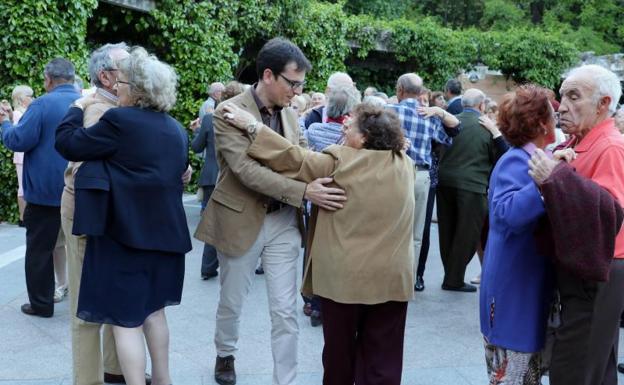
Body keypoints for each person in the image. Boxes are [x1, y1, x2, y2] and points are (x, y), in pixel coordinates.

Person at [223, 101, 415, 385]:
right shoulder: (405, 163)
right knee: (384, 358)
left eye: (352, 125)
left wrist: (251, 125)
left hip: (343, 281)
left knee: (339, 356)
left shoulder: (338, 161)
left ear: (364, 138)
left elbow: (291, 157)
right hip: (393, 279)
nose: (345, 125)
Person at [194, 37, 346, 385]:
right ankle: (225, 353)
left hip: (283, 221)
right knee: (231, 301)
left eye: (301, 85)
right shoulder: (228, 110)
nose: (297, 91)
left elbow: (305, 160)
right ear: (267, 75)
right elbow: (246, 171)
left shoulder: (293, 116)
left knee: (285, 310)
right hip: (240, 218)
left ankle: (285, 379)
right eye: (293, 83)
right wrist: (303, 189)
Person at [55, 46, 192, 385]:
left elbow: (70, 144)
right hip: (166, 239)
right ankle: (162, 380)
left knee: (125, 322)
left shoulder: (118, 121)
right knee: (154, 313)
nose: (118, 87)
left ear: (138, 88)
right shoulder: (175, 129)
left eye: (123, 82)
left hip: (124, 238)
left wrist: (77, 106)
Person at [528, 64, 624, 385]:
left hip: (599, 271)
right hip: (589, 271)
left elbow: (607, 214)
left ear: (603, 104)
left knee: (576, 367)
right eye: (562, 96)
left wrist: (555, 178)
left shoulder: (610, 147)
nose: (562, 106)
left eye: (574, 97)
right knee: (596, 365)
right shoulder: (576, 143)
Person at [57, 43, 137, 385]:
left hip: (111, 219)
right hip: (87, 218)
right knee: (85, 306)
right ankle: (88, 379)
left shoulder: (118, 106)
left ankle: (115, 369)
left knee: (114, 297)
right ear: (106, 76)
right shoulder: (96, 111)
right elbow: (78, 165)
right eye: (127, 68)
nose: (136, 73)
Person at [480, 84, 557, 383]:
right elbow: (510, 212)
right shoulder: (517, 160)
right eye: (553, 111)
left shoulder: (531, 156)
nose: (559, 114)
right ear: (541, 123)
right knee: (513, 376)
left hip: (517, 287)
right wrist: (542, 182)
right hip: (513, 292)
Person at [1, 58, 80, 318]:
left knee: (40, 251)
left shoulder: (42, 105)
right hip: (80, 189)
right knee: (81, 248)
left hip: (46, 194)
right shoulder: (86, 102)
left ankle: (41, 303)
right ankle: (84, 302)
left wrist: (5, 124)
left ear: (48, 79)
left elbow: (18, 140)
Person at [387, 73, 460, 292]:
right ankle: (408, 280)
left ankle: (386, 277)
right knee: (417, 232)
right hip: (421, 175)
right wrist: (439, 112)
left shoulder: (386, 112)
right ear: (420, 93)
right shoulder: (428, 115)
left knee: (389, 226)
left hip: (393, 172)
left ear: (400, 89)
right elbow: (452, 135)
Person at [436, 88, 507, 292]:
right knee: (467, 233)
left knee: (447, 230)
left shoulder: (450, 121)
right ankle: (454, 278)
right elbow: (500, 158)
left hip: (445, 181)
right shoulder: (486, 127)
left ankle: (451, 274)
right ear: (481, 105)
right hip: (473, 185)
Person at [192, 81, 244, 281]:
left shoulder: (209, 119)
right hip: (235, 177)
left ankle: (207, 267)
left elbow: (197, 147)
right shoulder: (247, 120)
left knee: (211, 222)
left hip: (211, 176)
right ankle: (232, 267)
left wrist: (196, 131)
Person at [307, 85, 360, 151]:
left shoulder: (313, 129)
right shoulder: (357, 138)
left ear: (329, 105)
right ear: (353, 109)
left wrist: (304, 115)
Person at [10, 85, 33, 226]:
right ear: (21, 98)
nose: (31, 98)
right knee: (22, 187)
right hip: (21, 155)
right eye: (29, 96)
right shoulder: (18, 113)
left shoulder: (23, 111)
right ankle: (23, 217)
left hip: (25, 153)